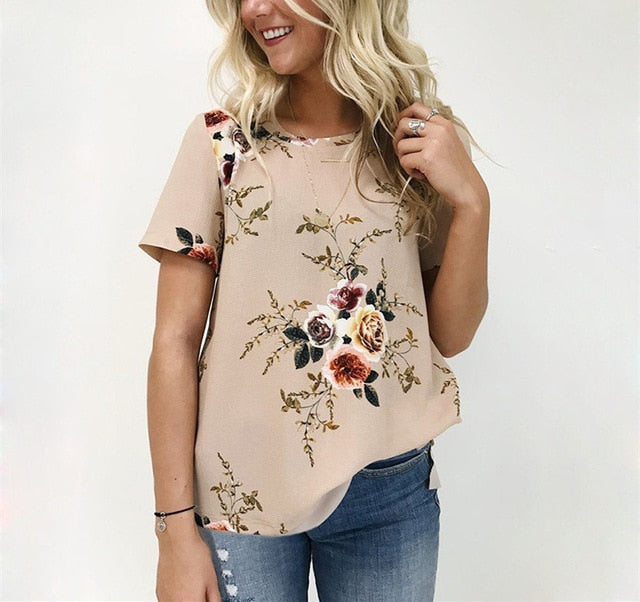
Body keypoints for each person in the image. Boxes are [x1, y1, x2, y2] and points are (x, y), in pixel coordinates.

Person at [140, 0, 489, 600]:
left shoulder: (411, 144)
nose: (255, 9)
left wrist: (473, 204)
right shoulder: (223, 143)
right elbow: (173, 341)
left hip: (388, 490)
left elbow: (450, 336)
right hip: (241, 492)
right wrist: (173, 535)